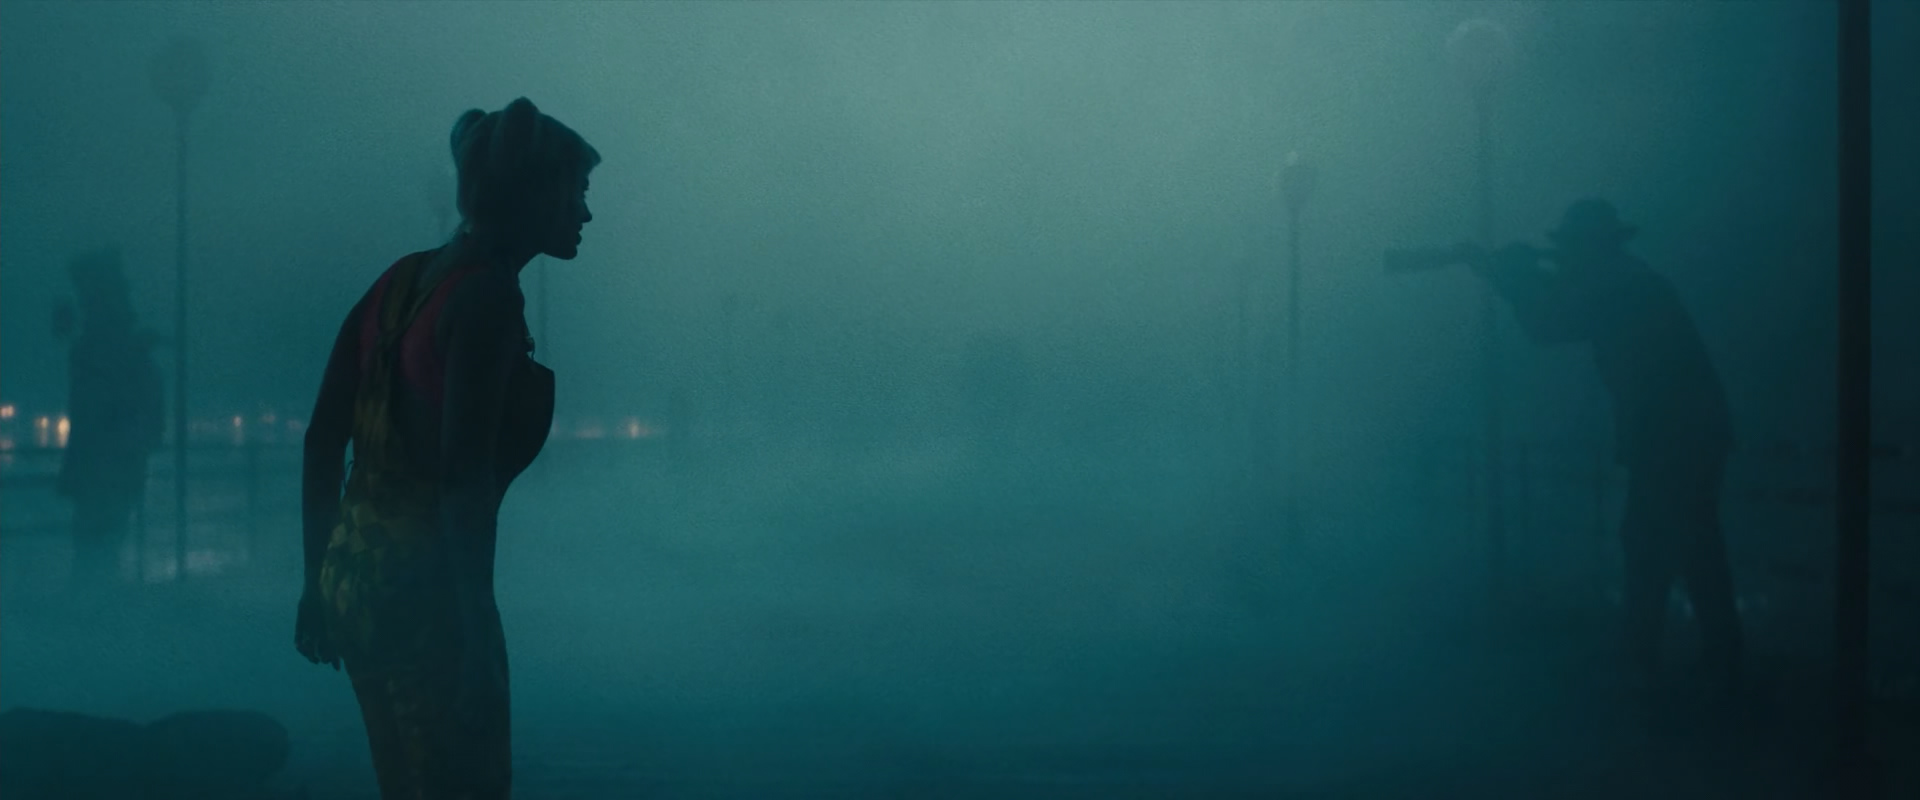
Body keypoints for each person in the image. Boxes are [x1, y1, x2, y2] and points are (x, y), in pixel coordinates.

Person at [296, 97, 597, 798]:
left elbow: (323, 439)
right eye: (577, 192)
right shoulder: (486, 300)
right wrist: (478, 642)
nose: (586, 214)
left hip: (356, 578)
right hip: (427, 597)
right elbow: (463, 483)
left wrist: (315, 584)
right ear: (533, 194)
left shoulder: (400, 281)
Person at [1464, 198, 1743, 697]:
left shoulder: (1620, 288)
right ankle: (1708, 658)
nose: (1567, 257)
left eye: (1572, 248)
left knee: (1653, 542)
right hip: (1685, 431)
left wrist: (1512, 277)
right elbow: (1561, 310)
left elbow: (1548, 323)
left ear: (1590, 248)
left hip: (1671, 435)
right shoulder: (1630, 281)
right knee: (1689, 543)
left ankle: (1650, 660)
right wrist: (1519, 277)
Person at [56, 247, 165, 589]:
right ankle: (97, 606)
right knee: (100, 550)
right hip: (112, 469)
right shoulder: (117, 349)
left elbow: (96, 413)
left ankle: (93, 607)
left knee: (94, 551)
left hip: (103, 470)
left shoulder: (100, 350)